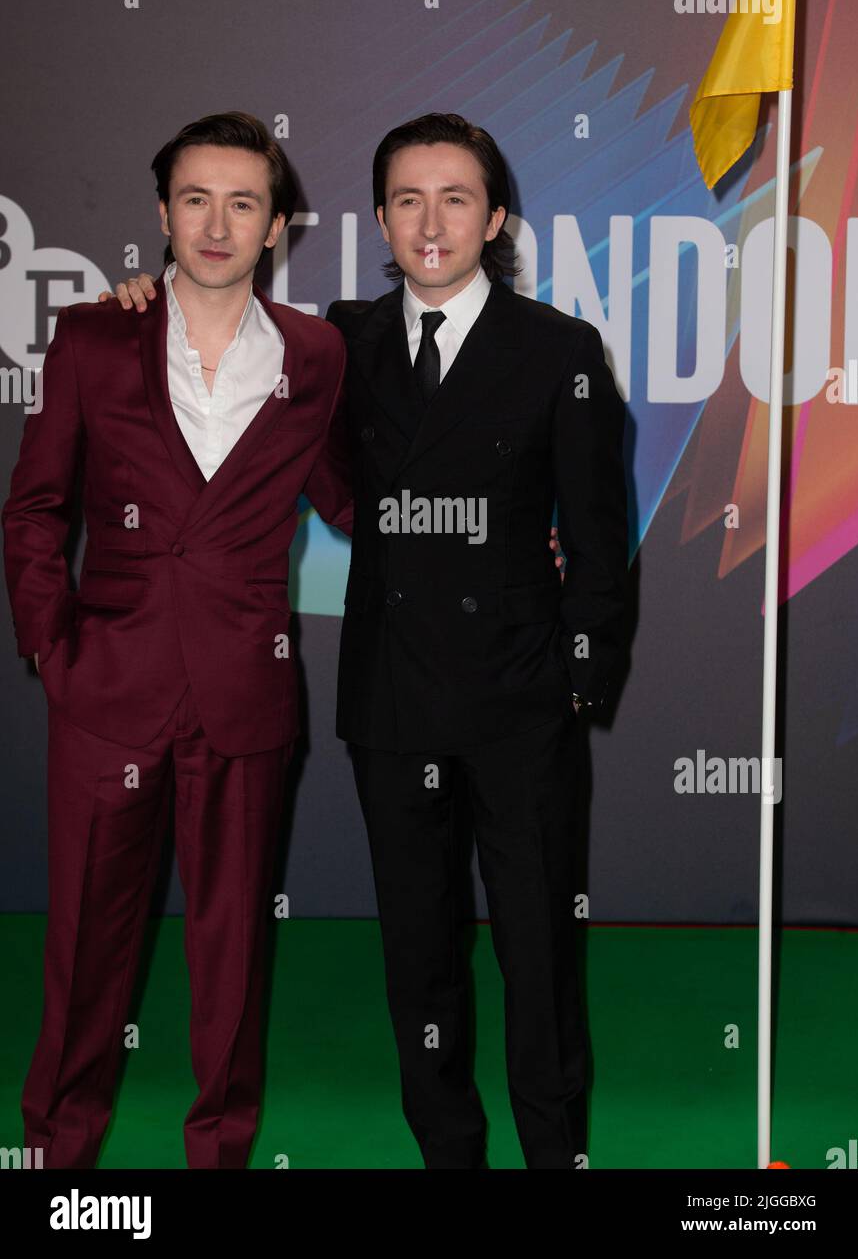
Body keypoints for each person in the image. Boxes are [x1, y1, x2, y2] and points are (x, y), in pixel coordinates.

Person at [109, 111, 629, 1169]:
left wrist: (576, 683)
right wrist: (139, 306)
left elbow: (598, 539)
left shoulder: (558, 352)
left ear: (492, 219)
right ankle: (448, 1156)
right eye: (405, 199)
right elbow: (216, 326)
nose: (428, 221)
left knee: (536, 957)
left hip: (519, 705)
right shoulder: (333, 344)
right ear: (381, 220)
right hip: (393, 706)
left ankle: (552, 1155)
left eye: (452, 198)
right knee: (419, 960)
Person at [1, 111, 353, 1168]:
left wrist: (518, 537)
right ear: (161, 213)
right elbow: (33, 511)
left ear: (276, 224)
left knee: (234, 955)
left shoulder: (319, 355)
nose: (216, 222)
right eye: (195, 198)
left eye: (243, 201)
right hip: (106, 692)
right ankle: (59, 1157)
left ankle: (220, 1154)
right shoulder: (93, 336)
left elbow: (361, 502)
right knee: (83, 955)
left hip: (245, 698)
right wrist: (54, 654)